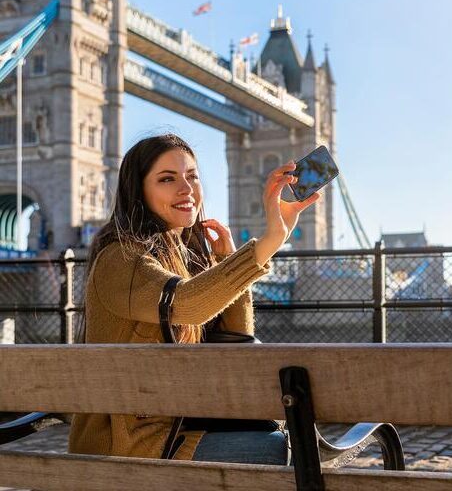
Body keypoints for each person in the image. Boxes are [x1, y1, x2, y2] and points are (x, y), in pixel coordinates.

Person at [68, 133, 320, 464]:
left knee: (284, 444)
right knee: (285, 452)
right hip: (133, 445)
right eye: (167, 179)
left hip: (179, 426)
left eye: (192, 176)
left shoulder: (179, 257)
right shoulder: (121, 259)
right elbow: (187, 305)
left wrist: (224, 260)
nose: (186, 189)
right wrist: (270, 240)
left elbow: (236, 339)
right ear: (138, 191)